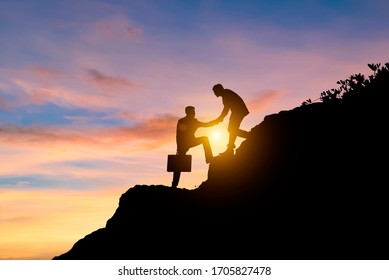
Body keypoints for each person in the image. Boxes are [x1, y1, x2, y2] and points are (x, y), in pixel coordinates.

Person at [172, 106, 219, 188]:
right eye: (193, 112)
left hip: (190, 142)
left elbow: (206, 125)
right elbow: (178, 135)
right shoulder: (182, 121)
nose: (194, 113)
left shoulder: (194, 121)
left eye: (194, 112)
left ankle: (208, 158)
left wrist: (217, 121)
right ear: (188, 112)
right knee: (179, 163)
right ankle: (174, 184)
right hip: (183, 144)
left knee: (205, 139)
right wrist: (179, 147)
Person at [213, 83, 249, 156]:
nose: (214, 93)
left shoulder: (226, 94)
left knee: (231, 129)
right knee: (232, 129)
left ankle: (249, 136)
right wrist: (221, 118)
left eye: (215, 91)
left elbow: (226, 109)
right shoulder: (225, 94)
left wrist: (220, 118)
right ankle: (230, 148)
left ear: (219, 90)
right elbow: (226, 109)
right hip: (238, 111)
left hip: (239, 111)